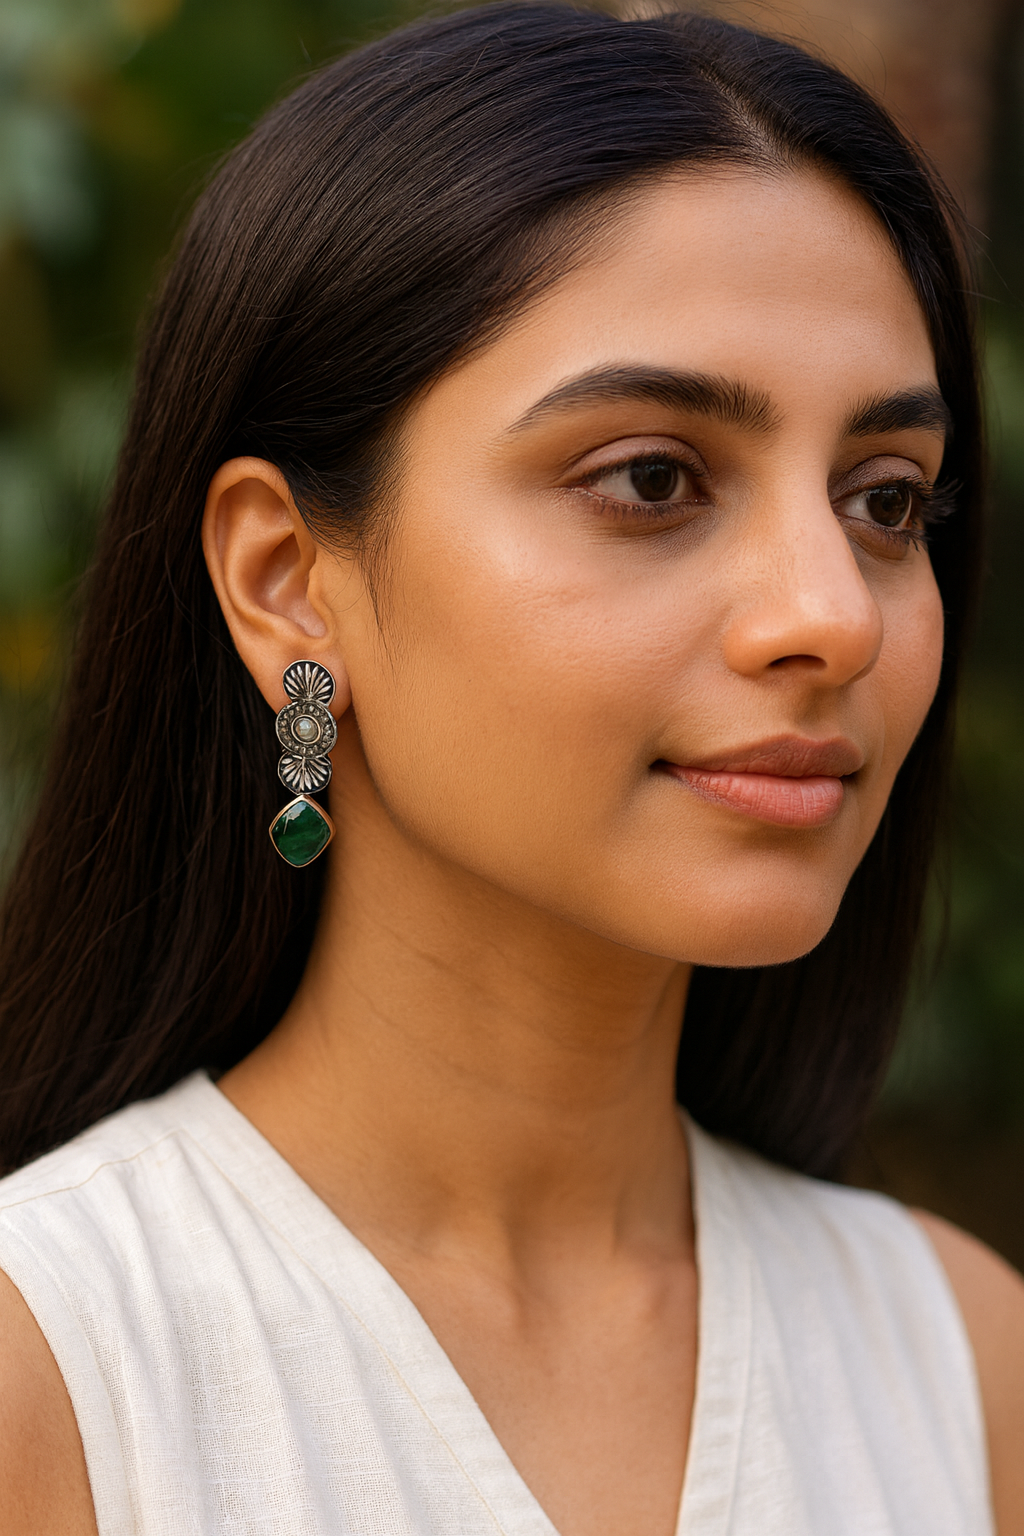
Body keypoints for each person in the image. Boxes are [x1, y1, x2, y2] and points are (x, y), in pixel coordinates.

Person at [0, 4, 1021, 1532]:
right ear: (287, 580)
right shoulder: (61, 1374)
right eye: (652, 479)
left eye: (885, 501)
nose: (832, 615)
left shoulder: (963, 1367)